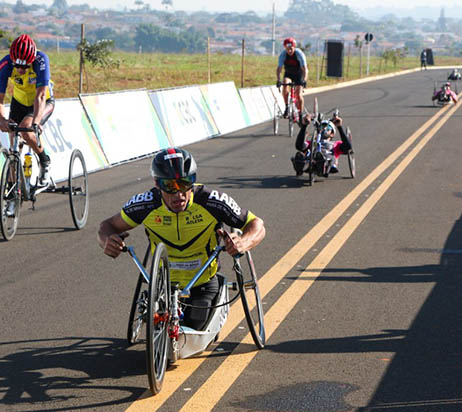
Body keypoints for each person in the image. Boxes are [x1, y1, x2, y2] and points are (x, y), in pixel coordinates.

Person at [98, 148, 266, 331]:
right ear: (157, 184)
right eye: (169, 186)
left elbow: (256, 224)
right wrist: (106, 240)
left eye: (185, 183)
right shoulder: (146, 204)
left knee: (195, 326)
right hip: (164, 283)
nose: (178, 194)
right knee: (161, 328)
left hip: (202, 281)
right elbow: (107, 226)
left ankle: (218, 288)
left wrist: (244, 242)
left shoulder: (211, 200)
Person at [0, 34, 55, 187]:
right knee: (14, 143)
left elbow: (40, 95)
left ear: (32, 61)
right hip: (19, 102)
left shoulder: (41, 61)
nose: (20, 70)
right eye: (17, 66)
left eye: (25, 66)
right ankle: (12, 191)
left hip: (42, 102)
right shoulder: (5, 64)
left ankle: (44, 160)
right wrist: (2, 121)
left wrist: (36, 122)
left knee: (27, 130)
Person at [276, 37, 308, 119]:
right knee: (285, 84)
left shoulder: (299, 54)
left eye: (291, 48)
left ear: (294, 47)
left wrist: (304, 80)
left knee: (298, 94)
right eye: (287, 49)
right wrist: (278, 80)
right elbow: (279, 68)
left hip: (299, 74)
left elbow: (305, 69)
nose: (289, 51)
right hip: (289, 74)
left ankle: (300, 113)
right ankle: (287, 107)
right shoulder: (283, 55)